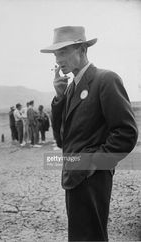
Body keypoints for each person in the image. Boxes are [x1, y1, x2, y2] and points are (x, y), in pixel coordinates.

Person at [40, 26, 138, 241]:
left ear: (82, 49)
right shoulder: (70, 88)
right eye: (56, 54)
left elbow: (126, 132)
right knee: (79, 236)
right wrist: (59, 99)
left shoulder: (105, 79)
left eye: (63, 52)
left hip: (92, 178)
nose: (58, 59)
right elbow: (61, 138)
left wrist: (94, 163)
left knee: (91, 236)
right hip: (74, 174)